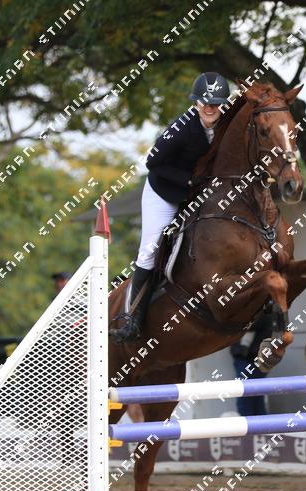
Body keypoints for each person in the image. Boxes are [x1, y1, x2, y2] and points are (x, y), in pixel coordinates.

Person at [110, 72, 231, 343]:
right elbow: (153, 162)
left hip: (198, 194)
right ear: (196, 102)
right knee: (150, 249)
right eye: (205, 102)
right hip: (164, 192)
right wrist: (188, 180)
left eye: (216, 103)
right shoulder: (181, 127)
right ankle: (132, 319)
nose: (210, 107)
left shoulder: (227, 125)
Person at [230, 312, 276, 416]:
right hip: (250, 356)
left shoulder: (263, 312)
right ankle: (259, 423)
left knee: (247, 395)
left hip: (250, 357)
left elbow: (251, 325)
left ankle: (250, 423)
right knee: (255, 395)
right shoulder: (269, 311)